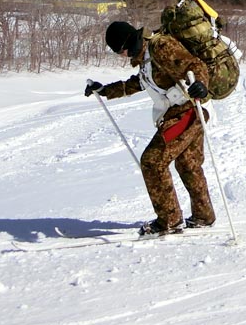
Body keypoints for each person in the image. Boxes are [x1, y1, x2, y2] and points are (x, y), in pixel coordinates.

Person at [85, 21, 216, 236]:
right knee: (187, 164)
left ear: (128, 42)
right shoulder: (146, 59)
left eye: (121, 50)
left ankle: (169, 220)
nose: (122, 55)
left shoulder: (161, 46)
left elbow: (196, 66)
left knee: (152, 161)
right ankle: (204, 216)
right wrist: (105, 90)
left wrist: (200, 83)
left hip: (188, 110)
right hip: (182, 111)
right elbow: (137, 83)